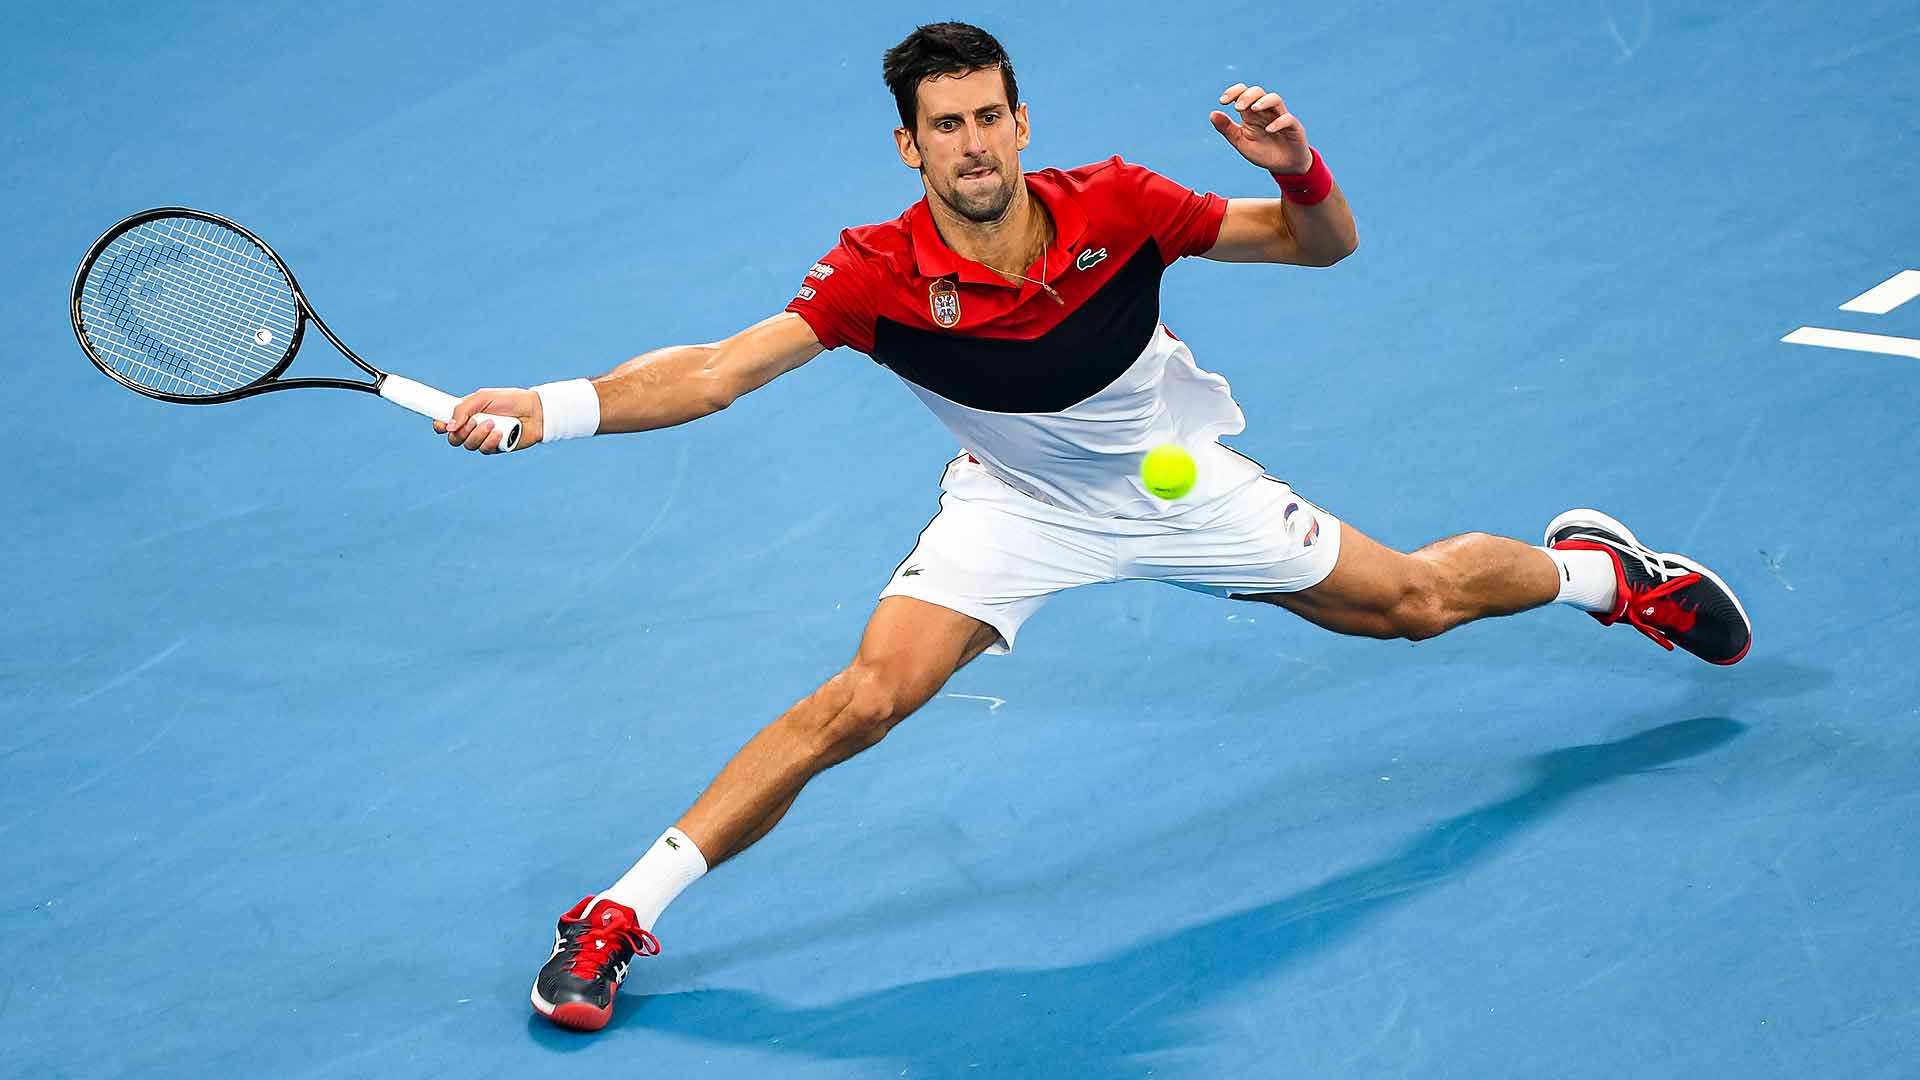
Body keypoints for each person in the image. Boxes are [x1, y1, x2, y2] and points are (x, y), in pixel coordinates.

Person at [435, 22, 1752, 1032]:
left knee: (1412, 603)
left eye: (990, 118)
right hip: (1012, 510)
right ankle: (616, 913)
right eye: (945, 127)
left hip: (1172, 482)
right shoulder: (877, 272)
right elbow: (713, 371)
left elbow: (1320, 249)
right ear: (909, 146)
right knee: (861, 705)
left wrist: (1298, 170)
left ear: (1021, 120)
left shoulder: (1119, 205)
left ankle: (1602, 575)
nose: (973, 145)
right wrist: (550, 410)